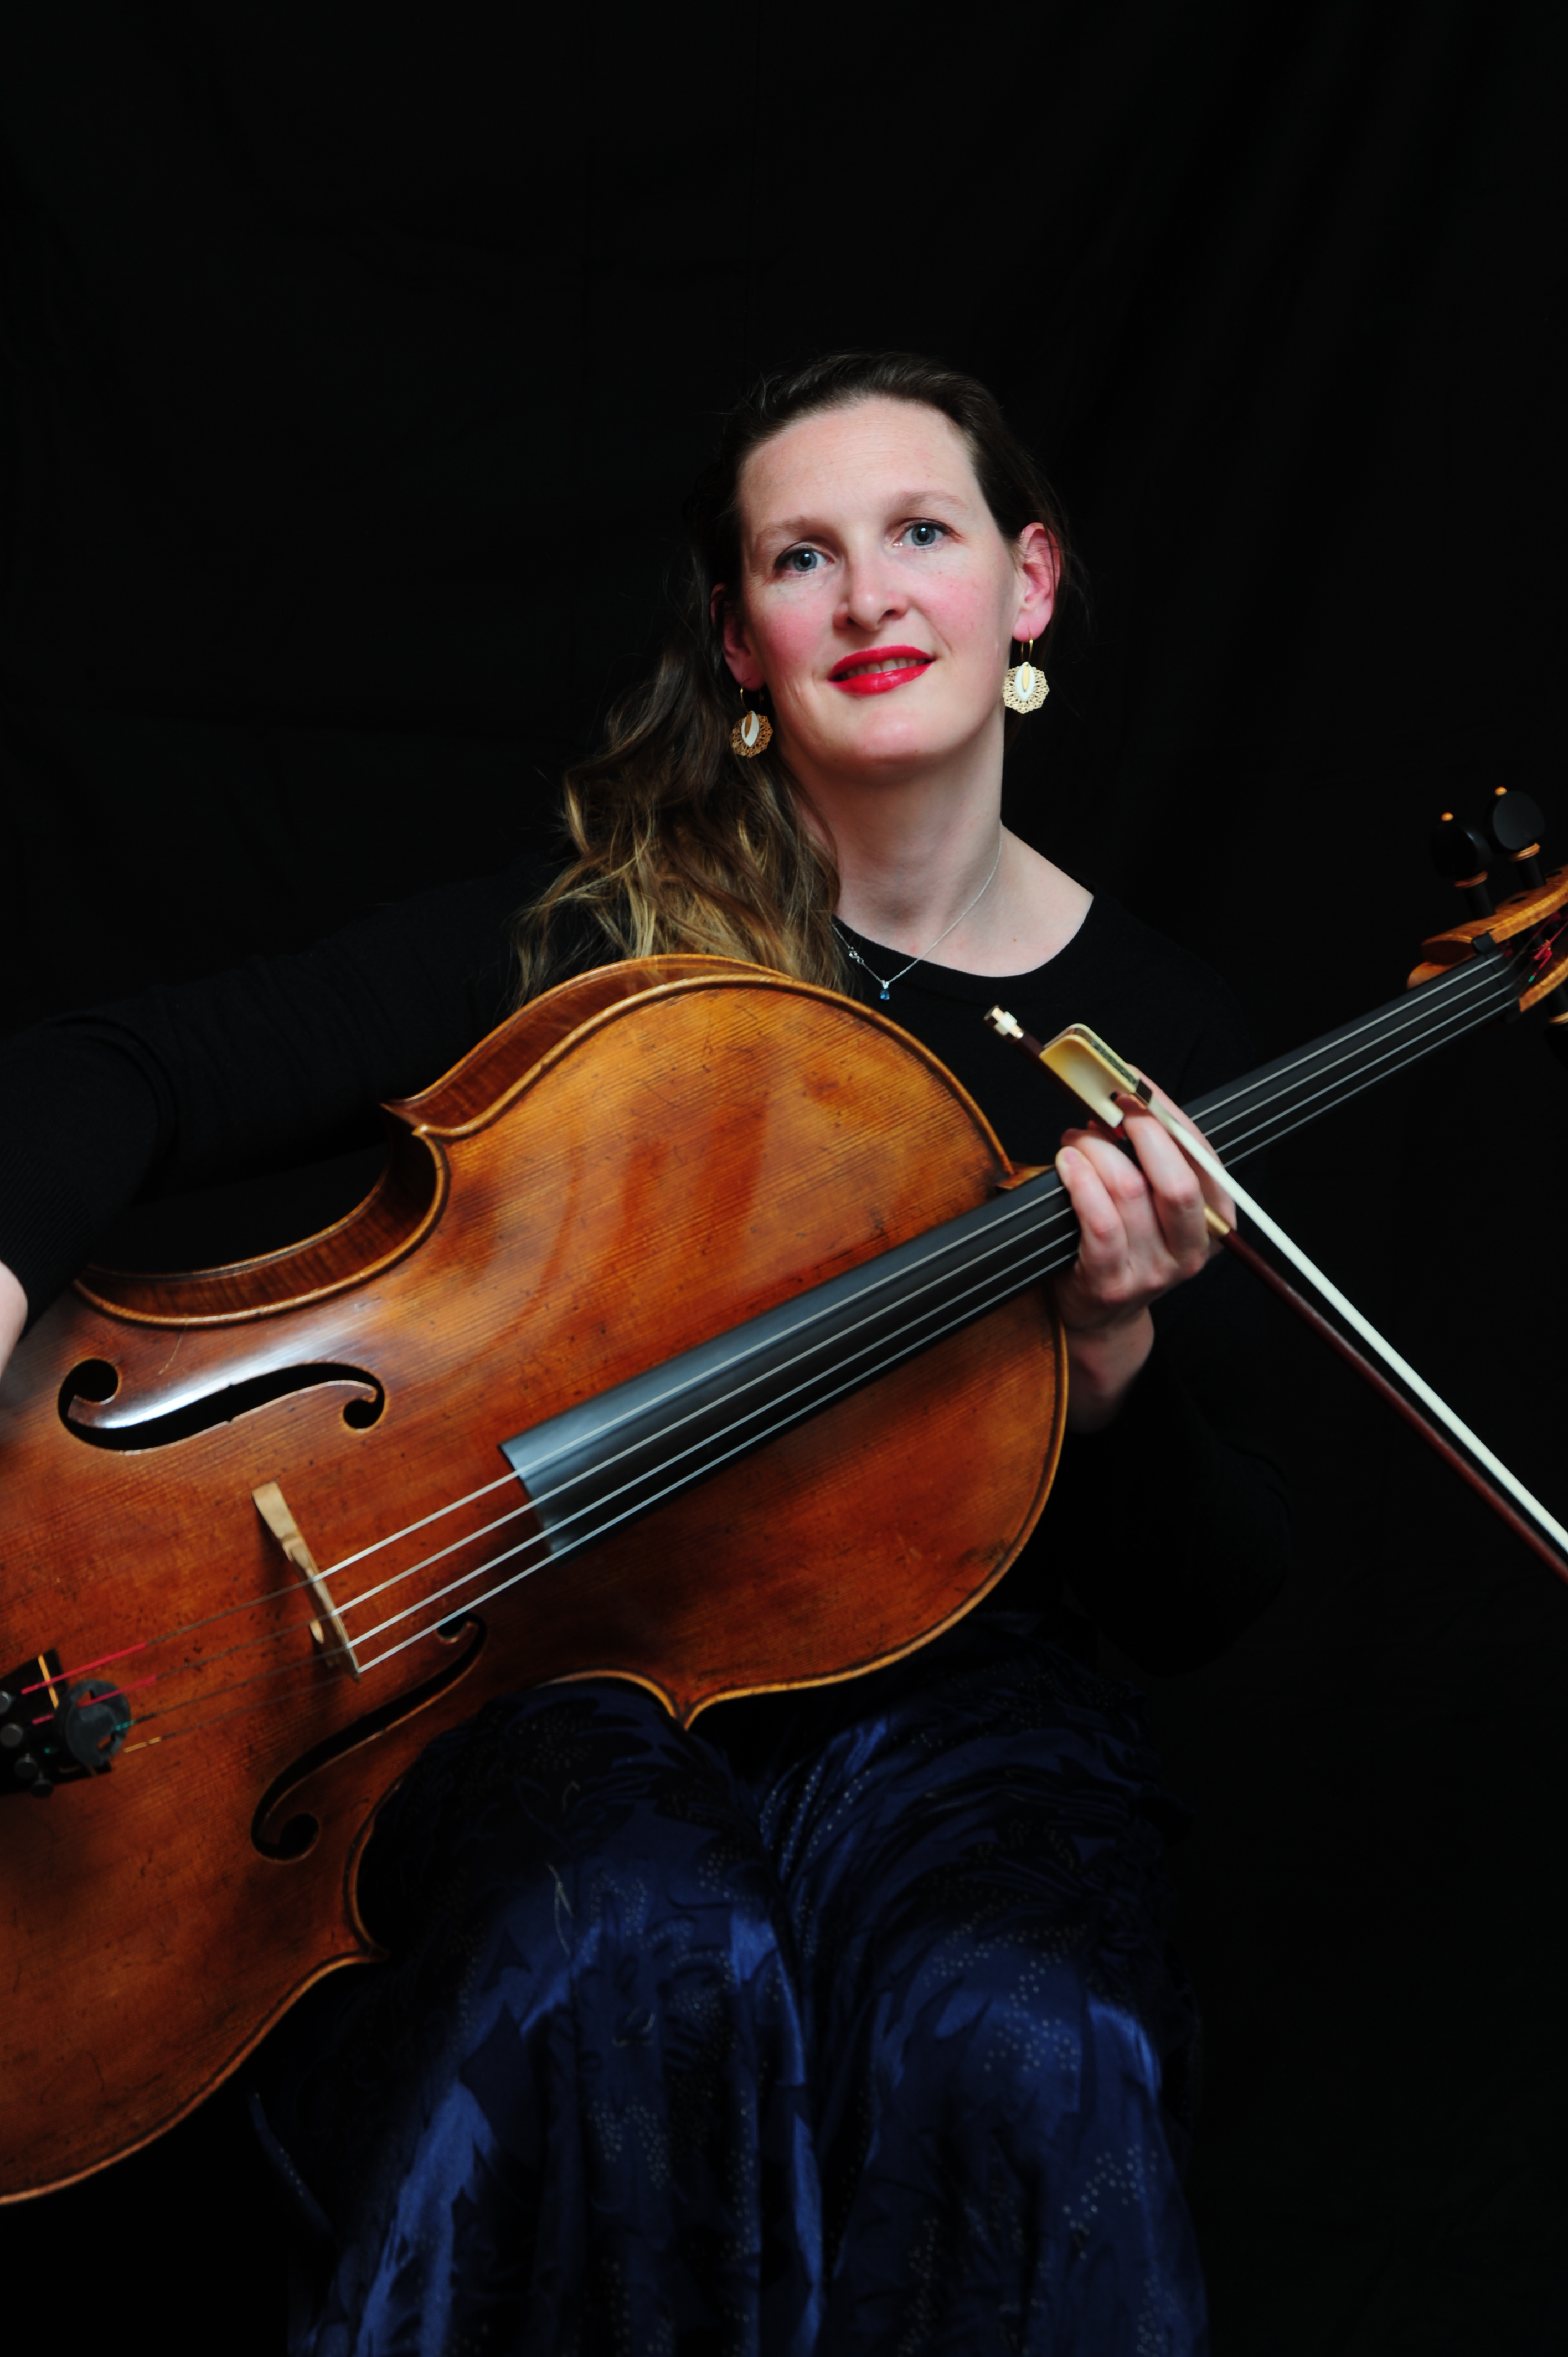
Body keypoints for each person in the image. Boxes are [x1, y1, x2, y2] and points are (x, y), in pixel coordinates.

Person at [0, 352, 1288, 2355]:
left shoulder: (1158, 1037)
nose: (869, 596)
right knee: (629, 1949)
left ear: (1027, 584)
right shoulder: (602, 936)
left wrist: (1112, 1357)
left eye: (921, 533)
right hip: (535, 1657)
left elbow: (1210, 1597)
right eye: (802, 556)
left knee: (1030, 2036)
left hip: (953, 1718)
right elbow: (124, 1069)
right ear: (741, 638)